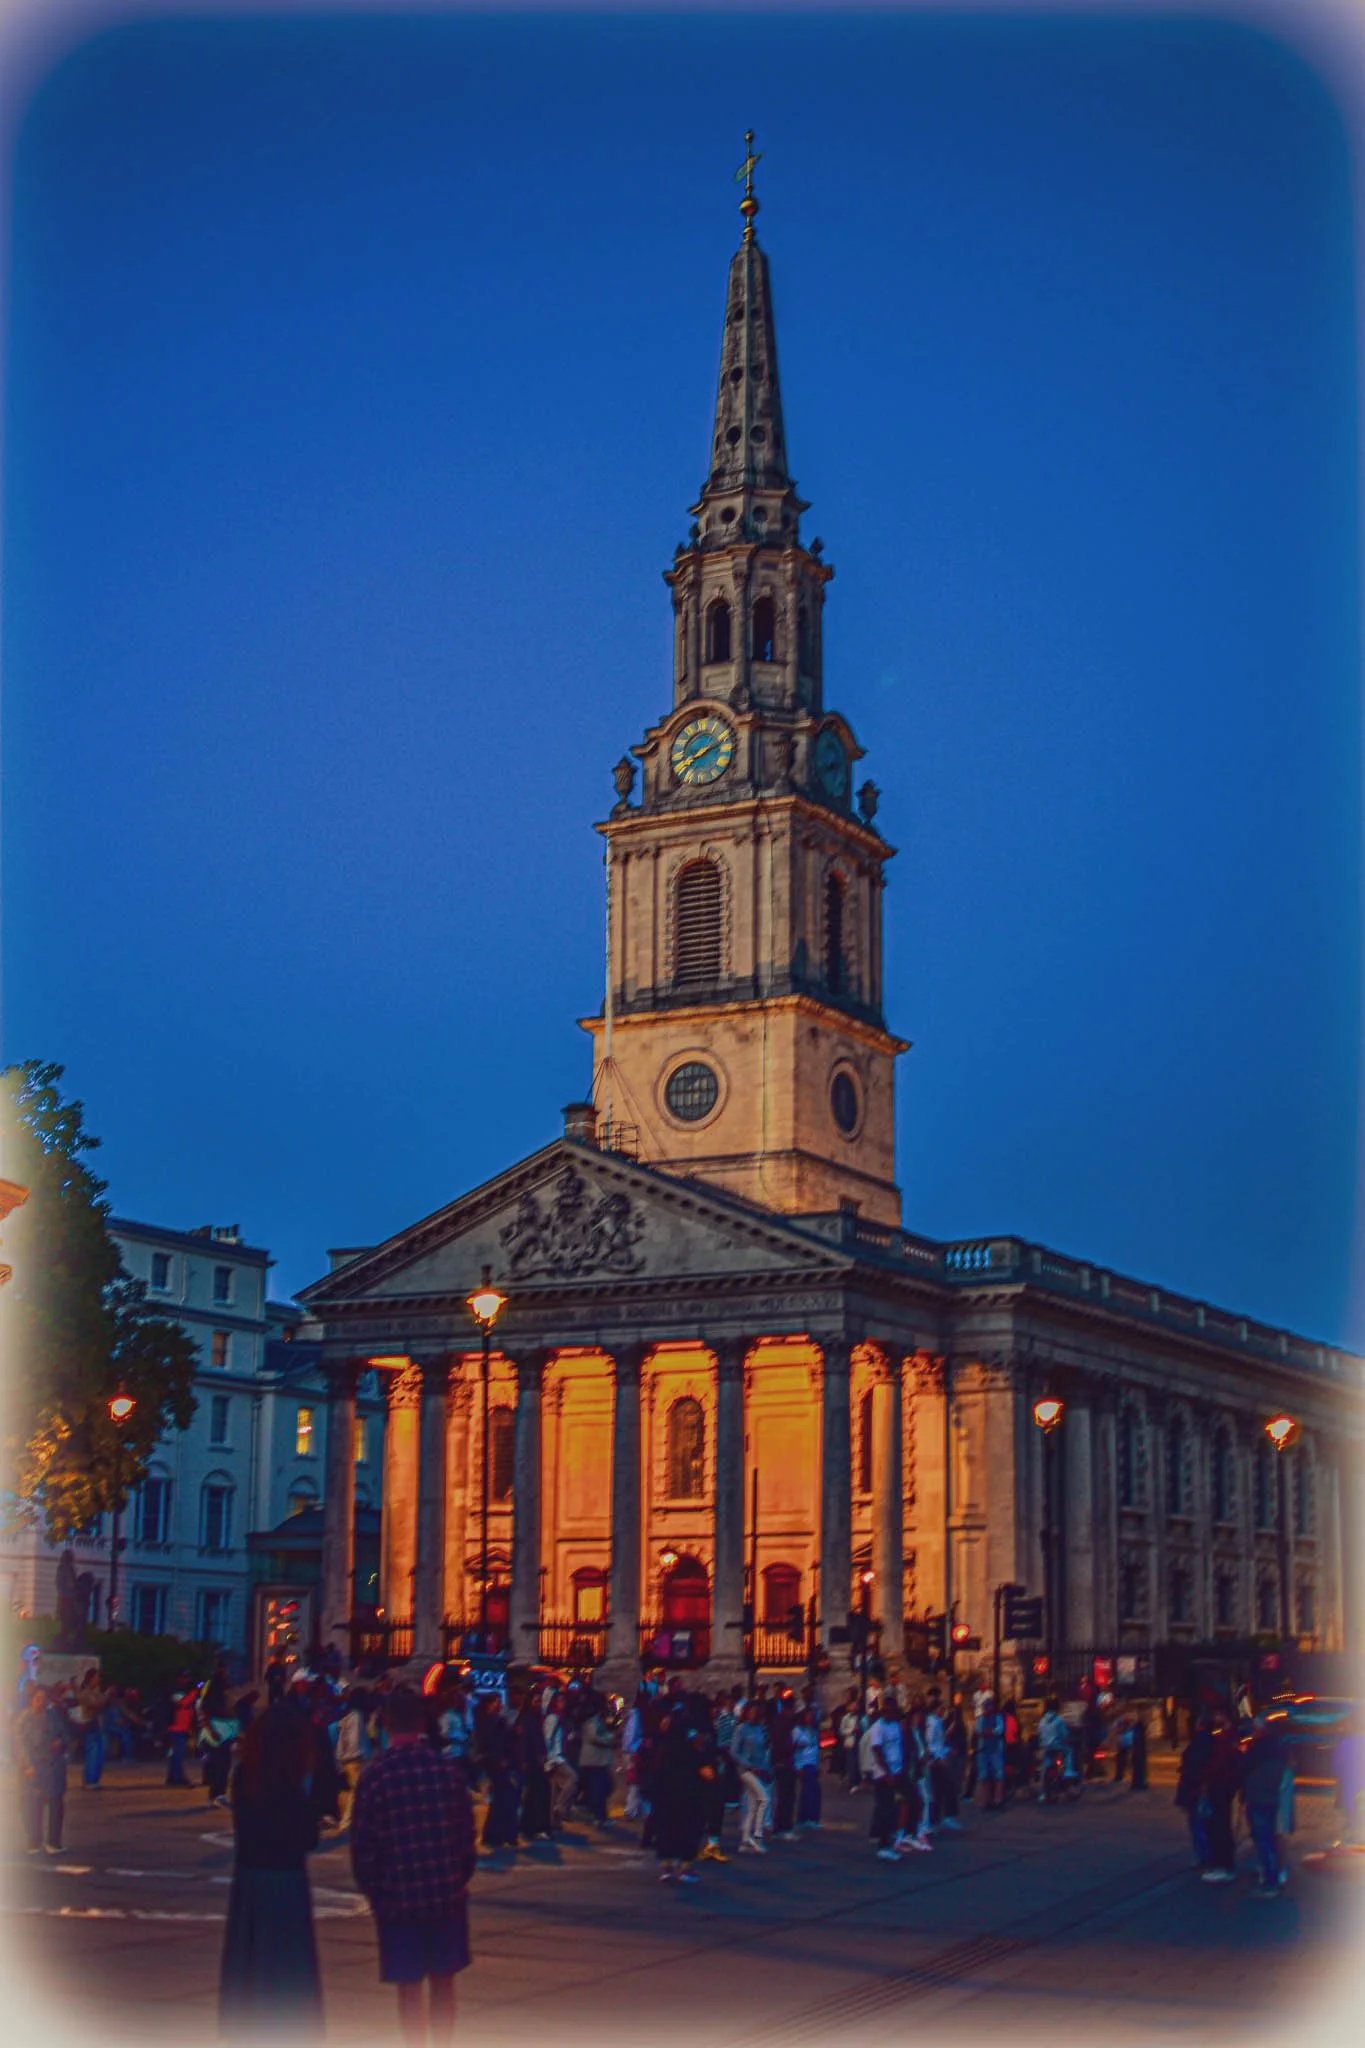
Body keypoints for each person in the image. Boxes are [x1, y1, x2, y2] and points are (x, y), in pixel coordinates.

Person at [350, 1686, 477, 2046]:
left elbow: (364, 1847)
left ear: (386, 1722)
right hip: (444, 1893)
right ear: (422, 1722)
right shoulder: (446, 1771)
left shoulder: (376, 1776)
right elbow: (466, 1834)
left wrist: (375, 1891)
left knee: (409, 1989)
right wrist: (459, 1876)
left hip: (398, 1898)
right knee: (443, 1982)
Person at [219, 1701, 324, 2039]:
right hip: (286, 1881)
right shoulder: (295, 1782)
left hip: (250, 1880)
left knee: (248, 1971)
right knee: (287, 1971)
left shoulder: (244, 1777)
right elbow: (308, 1837)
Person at [651, 1687, 705, 1882]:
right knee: (686, 1823)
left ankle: (666, 1866)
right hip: (685, 1779)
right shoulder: (689, 1723)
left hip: (666, 1779)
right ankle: (685, 1867)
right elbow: (698, 1744)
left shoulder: (665, 1722)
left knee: (667, 1823)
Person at [1241, 1715, 1292, 1897]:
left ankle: (1271, 1882)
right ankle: (1275, 1876)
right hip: (1271, 1798)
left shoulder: (1257, 1749)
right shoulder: (1280, 1749)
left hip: (1259, 1797)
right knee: (1270, 1839)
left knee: (1263, 1840)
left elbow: (1243, 1767)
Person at [18, 1686, 69, 1854]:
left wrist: (61, 1743)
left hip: (54, 1766)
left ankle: (54, 1842)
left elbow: (65, 1734)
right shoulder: (25, 1718)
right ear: (31, 1700)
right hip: (35, 1766)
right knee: (33, 1806)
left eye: (43, 1698)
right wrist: (27, 1765)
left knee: (56, 1804)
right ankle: (34, 1842)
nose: (41, 1702)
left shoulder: (53, 1715)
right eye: (37, 1698)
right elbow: (21, 1744)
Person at [865, 1698, 905, 1862]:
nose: (890, 1714)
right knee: (884, 1809)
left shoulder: (895, 1725)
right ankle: (883, 1845)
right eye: (887, 1711)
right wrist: (887, 1773)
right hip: (883, 1774)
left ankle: (890, 1838)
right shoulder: (878, 1728)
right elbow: (877, 1750)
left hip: (896, 1771)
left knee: (894, 1808)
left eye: (892, 1711)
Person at [1175, 1715, 1216, 1869]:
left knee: (1198, 1824)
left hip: (1195, 1789)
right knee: (1203, 1823)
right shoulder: (1211, 1742)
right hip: (1200, 1787)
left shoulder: (1199, 1743)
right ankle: (1206, 1855)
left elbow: (1194, 1766)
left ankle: (1205, 1856)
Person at [731, 1700, 771, 1854]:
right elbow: (734, 1751)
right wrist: (747, 1765)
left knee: (753, 1806)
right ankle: (757, 1836)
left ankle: (745, 1839)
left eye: (756, 1711)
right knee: (764, 1799)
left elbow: (764, 1751)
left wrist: (766, 1768)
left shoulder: (761, 1729)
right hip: (746, 1770)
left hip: (759, 1769)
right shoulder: (741, 1729)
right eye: (751, 1711)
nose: (754, 1714)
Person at [577, 1695, 619, 1828]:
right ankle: (598, 1817)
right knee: (599, 1790)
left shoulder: (600, 1721)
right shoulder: (592, 1722)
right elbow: (594, 1737)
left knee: (605, 1788)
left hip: (600, 1761)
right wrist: (611, 1738)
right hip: (593, 1761)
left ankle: (600, 1816)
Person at [975, 1693, 1006, 1811]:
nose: (987, 1709)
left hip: (996, 1750)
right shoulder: (980, 1719)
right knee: (984, 1776)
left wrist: (988, 1732)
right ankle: (985, 1800)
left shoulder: (998, 1718)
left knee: (998, 1775)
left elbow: (999, 1731)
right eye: (985, 1707)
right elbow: (979, 1732)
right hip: (983, 1751)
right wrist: (990, 1732)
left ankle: (998, 1799)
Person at [166, 1673, 196, 1787]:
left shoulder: (185, 1691)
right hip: (176, 1727)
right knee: (178, 1753)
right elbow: (183, 1702)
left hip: (183, 1727)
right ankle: (177, 1777)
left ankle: (173, 1776)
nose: (186, 1680)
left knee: (177, 1753)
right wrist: (193, 1693)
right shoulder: (175, 1691)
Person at [794, 1705, 822, 1829]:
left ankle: (809, 1817)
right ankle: (805, 1818)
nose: (810, 1718)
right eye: (808, 1715)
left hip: (813, 1763)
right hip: (804, 1764)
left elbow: (816, 1748)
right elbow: (794, 1749)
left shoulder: (814, 1731)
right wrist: (797, 1765)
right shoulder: (797, 1731)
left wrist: (818, 1764)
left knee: (813, 1791)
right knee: (809, 1791)